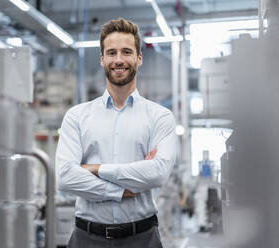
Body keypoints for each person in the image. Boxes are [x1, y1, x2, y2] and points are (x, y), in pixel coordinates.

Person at [56, 18, 176, 248]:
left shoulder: (159, 116)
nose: (118, 60)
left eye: (126, 52)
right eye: (111, 53)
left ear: (139, 58)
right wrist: (120, 192)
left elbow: (158, 173)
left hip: (142, 238)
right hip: (86, 238)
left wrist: (94, 169)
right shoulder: (77, 116)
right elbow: (65, 178)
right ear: (102, 59)